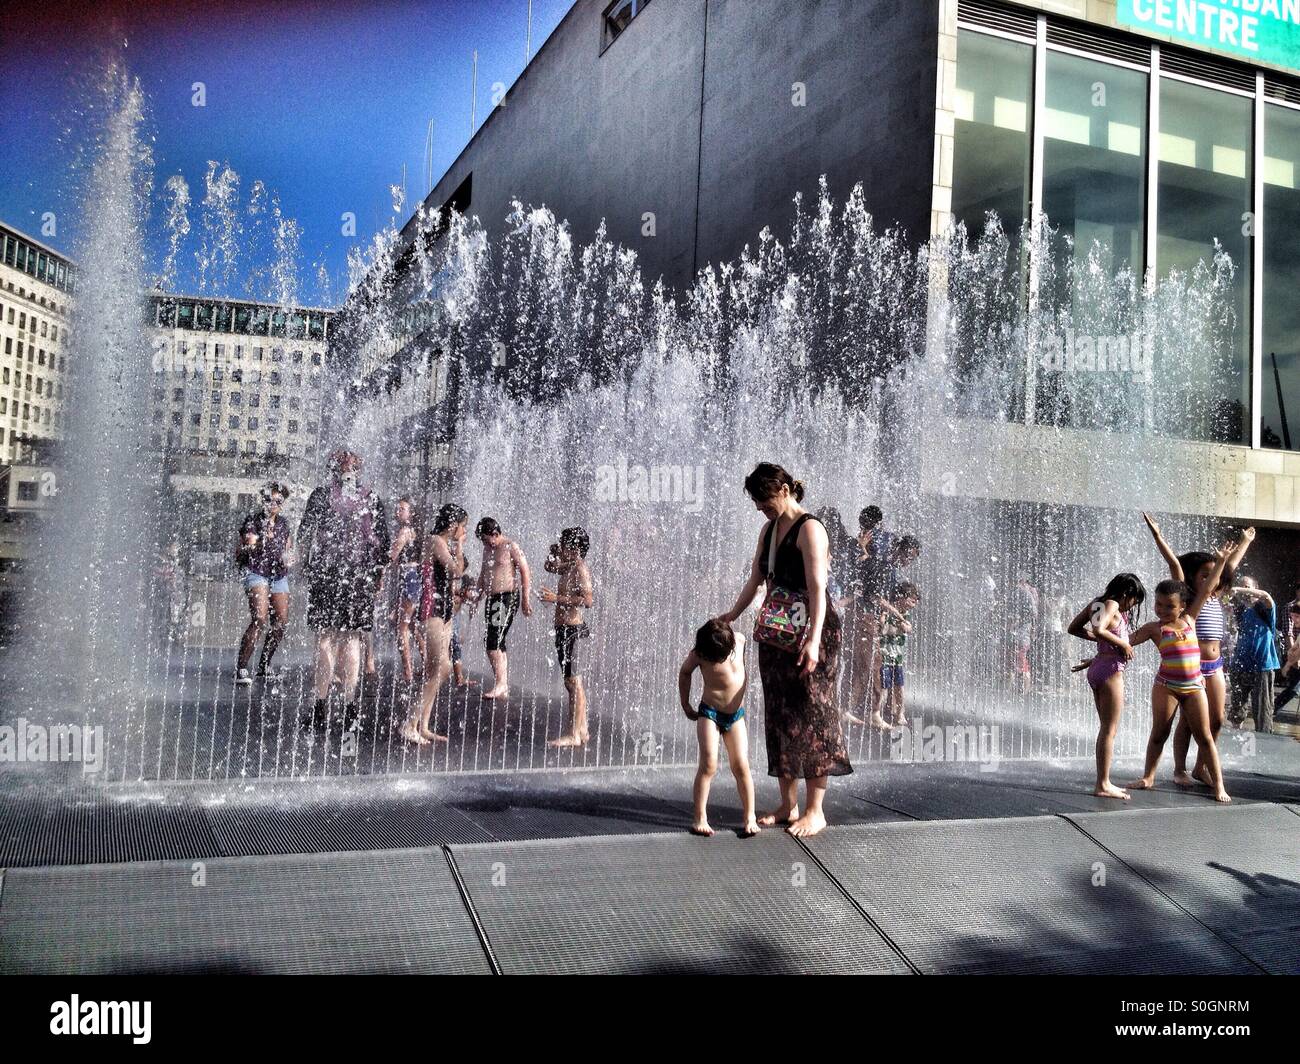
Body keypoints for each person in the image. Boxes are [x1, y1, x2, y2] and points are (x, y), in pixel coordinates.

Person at [717, 462, 850, 838]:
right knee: (781, 713)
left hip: (814, 633)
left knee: (815, 713)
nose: (762, 508)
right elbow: (757, 579)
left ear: (785, 490)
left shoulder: (811, 529)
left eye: (765, 500)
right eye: (758, 504)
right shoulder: (769, 529)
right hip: (777, 633)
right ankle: (787, 803)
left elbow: (817, 590)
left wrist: (812, 640)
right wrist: (733, 613)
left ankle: (815, 810)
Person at [1145, 515, 1255, 785]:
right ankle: (1179, 769)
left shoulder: (1215, 594)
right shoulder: (1190, 598)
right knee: (1186, 722)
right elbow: (1174, 565)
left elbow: (1227, 567)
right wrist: (1159, 537)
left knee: (1216, 720)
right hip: (1190, 669)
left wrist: (1245, 542)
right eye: (1204, 575)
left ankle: (1200, 767)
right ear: (1193, 578)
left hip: (1214, 666)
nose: (1212, 580)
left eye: (1213, 575)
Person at [1126, 543, 1233, 802]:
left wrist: (1221, 562)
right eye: (1158, 605)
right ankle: (1148, 776)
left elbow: (1208, 588)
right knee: (1159, 732)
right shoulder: (1154, 628)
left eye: (1168, 607)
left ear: (1183, 605)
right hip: (1166, 685)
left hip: (1195, 686)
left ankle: (1219, 784)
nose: (1162, 611)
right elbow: (1125, 641)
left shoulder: (1189, 619)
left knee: (1205, 736)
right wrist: (1098, 656)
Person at [297, 451, 389, 732]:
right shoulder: (371, 498)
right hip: (358, 576)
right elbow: (382, 545)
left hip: (327, 573)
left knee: (325, 638)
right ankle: (350, 708)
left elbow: (304, 536)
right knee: (351, 639)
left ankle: (320, 707)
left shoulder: (321, 495)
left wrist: (305, 568)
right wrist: (376, 575)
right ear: (357, 470)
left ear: (332, 470)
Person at [1067, 573, 1146, 800]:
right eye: (1133, 600)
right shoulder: (1112, 604)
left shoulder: (1097, 603)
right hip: (1110, 671)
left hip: (1099, 666)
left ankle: (1104, 781)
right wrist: (1122, 642)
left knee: (1105, 729)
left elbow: (1074, 628)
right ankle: (1103, 783)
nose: (1132, 606)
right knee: (1109, 730)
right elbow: (1101, 630)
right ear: (1125, 594)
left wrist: (1102, 645)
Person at [677, 618, 758, 838]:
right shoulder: (699, 653)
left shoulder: (739, 640)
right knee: (709, 765)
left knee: (741, 765)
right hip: (710, 713)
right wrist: (685, 704)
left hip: (736, 716)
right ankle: (700, 818)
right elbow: (685, 672)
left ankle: (749, 816)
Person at [402, 503, 469, 744]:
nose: (464, 532)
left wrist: (459, 547)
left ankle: (424, 725)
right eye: (463, 527)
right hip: (431, 610)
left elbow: (458, 569)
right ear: (453, 526)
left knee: (436, 670)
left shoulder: (445, 544)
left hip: (445, 611)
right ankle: (409, 723)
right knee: (441, 668)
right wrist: (459, 547)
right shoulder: (434, 541)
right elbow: (456, 572)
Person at [234, 483, 293, 686]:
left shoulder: (284, 524)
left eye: (278, 501)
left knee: (281, 622)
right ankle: (241, 667)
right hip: (257, 572)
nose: (273, 504)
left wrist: (291, 557)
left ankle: (264, 665)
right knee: (259, 618)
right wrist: (259, 541)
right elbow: (248, 544)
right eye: (269, 500)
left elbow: (288, 549)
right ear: (263, 500)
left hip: (278, 575)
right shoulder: (252, 521)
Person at [541, 527, 594, 747]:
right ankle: (581, 730)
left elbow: (588, 600)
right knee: (572, 682)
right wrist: (553, 553)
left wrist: (556, 598)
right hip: (565, 630)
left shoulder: (580, 568)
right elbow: (549, 566)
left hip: (574, 630)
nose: (561, 547)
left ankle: (573, 734)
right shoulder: (569, 566)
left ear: (573, 549)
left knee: (574, 683)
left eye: (563, 544)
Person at [474, 517, 533, 699]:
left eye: (485, 539)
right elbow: (483, 574)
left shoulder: (510, 546)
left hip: (507, 598)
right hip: (492, 599)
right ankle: (503, 686)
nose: (484, 543)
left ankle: (500, 684)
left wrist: (525, 600)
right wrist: (476, 595)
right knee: (498, 641)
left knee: (492, 642)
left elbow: (525, 571)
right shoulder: (487, 549)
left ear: (495, 533)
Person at [1229, 575, 1281, 736]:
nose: (1245, 592)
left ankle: (1265, 740)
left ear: (1255, 588)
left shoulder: (1265, 608)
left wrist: (1237, 589)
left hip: (1263, 664)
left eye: (1248, 587)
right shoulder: (1240, 609)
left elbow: (1266, 596)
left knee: (1262, 708)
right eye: (1241, 586)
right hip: (1241, 664)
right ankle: (1235, 737)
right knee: (1237, 707)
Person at [389, 497, 424, 685]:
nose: (397, 511)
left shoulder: (404, 532)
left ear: (411, 513)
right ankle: (427, 665)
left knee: (401, 628)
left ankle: (408, 672)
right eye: (397, 508)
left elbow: (393, 556)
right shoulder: (416, 532)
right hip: (413, 578)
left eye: (402, 509)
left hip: (408, 578)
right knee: (411, 626)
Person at [875, 582, 920, 729]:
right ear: (902, 597)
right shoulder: (887, 611)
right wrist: (883, 623)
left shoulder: (905, 616)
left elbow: (909, 628)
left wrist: (904, 626)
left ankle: (900, 713)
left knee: (899, 686)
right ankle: (877, 712)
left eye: (915, 603)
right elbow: (881, 627)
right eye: (912, 601)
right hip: (885, 655)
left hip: (897, 658)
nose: (913, 605)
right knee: (884, 686)